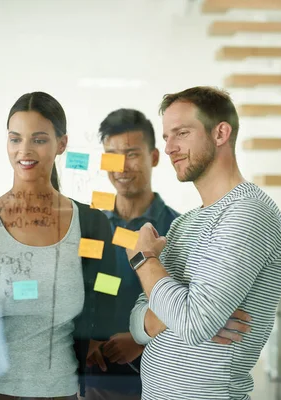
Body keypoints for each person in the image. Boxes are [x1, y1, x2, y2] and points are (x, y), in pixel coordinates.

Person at [0, 91, 118, 400]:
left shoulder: (91, 225)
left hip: (62, 391)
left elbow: (108, 284)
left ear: (62, 144)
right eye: (15, 139)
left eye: (39, 139)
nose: (24, 150)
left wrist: (98, 337)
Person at [128, 87, 281, 399]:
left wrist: (144, 260)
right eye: (166, 137)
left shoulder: (249, 213)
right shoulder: (184, 223)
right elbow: (139, 322)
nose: (170, 148)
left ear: (220, 133)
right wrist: (176, 312)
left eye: (181, 133)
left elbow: (192, 325)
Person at [82, 109, 180, 400]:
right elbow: (80, 290)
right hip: (95, 379)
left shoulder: (178, 228)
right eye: (112, 155)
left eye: (132, 154)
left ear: (153, 157)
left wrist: (142, 339)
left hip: (159, 382)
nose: (121, 167)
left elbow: (190, 311)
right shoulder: (89, 226)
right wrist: (83, 343)